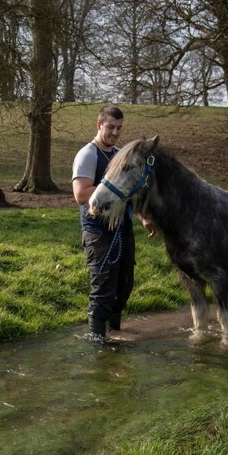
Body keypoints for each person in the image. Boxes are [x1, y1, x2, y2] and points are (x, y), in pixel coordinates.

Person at [72, 105, 154, 341]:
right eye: (110, 127)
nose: (115, 133)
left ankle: (114, 336)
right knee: (103, 290)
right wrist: (111, 184)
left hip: (123, 229)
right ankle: (98, 343)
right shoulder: (88, 155)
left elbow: (129, 192)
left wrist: (143, 217)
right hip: (98, 232)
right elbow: (81, 195)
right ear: (98, 125)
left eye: (119, 128)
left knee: (124, 287)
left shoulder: (119, 154)